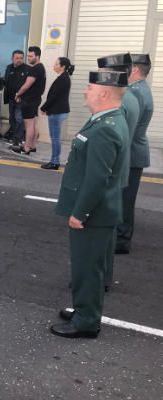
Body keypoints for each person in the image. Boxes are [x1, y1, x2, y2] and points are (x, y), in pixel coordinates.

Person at [52, 71, 128, 339]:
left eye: (90, 87)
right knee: (88, 266)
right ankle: (84, 309)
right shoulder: (107, 120)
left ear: (105, 93)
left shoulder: (106, 127)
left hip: (93, 213)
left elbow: (97, 179)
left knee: (87, 268)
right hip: (99, 211)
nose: (85, 91)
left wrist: (79, 213)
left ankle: (87, 322)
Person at [96, 53, 139, 288]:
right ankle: (102, 274)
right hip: (118, 171)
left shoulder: (121, 103)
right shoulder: (130, 98)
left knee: (103, 230)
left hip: (111, 173)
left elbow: (111, 141)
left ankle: (100, 276)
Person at [116, 54, 154, 254]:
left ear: (136, 70)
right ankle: (121, 236)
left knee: (125, 198)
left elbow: (127, 127)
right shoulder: (140, 89)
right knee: (125, 197)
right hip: (134, 151)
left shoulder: (136, 93)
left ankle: (121, 240)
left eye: (129, 68)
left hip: (132, 152)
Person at [39, 57, 74, 170]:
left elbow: (54, 96)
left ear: (62, 67)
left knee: (55, 138)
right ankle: (54, 160)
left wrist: (44, 107)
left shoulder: (63, 79)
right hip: (57, 111)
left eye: (56, 64)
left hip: (57, 112)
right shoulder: (63, 77)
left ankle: (54, 162)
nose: (54, 65)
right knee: (55, 137)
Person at [12, 46, 46, 155]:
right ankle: (32, 145)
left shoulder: (35, 69)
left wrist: (18, 94)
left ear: (37, 56)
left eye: (31, 56)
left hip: (29, 100)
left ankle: (26, 148)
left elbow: (26, 85)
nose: (28, 58)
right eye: (28, 56)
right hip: (35, 99)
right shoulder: (41, 68)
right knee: (34, 123)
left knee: (29, 125)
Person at [3, 50, 28, 144]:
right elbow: (6, 81)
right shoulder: (9, 68)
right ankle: (14, 136)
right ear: (12, 58)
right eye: (17, 58)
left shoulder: (27, 69)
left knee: (19, 118)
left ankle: (19, 138)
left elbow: (27, 85)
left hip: (21, 99)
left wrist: (20, 95)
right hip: (10, 98)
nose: (19, 60)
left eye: (21, 58)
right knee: (12, 118)